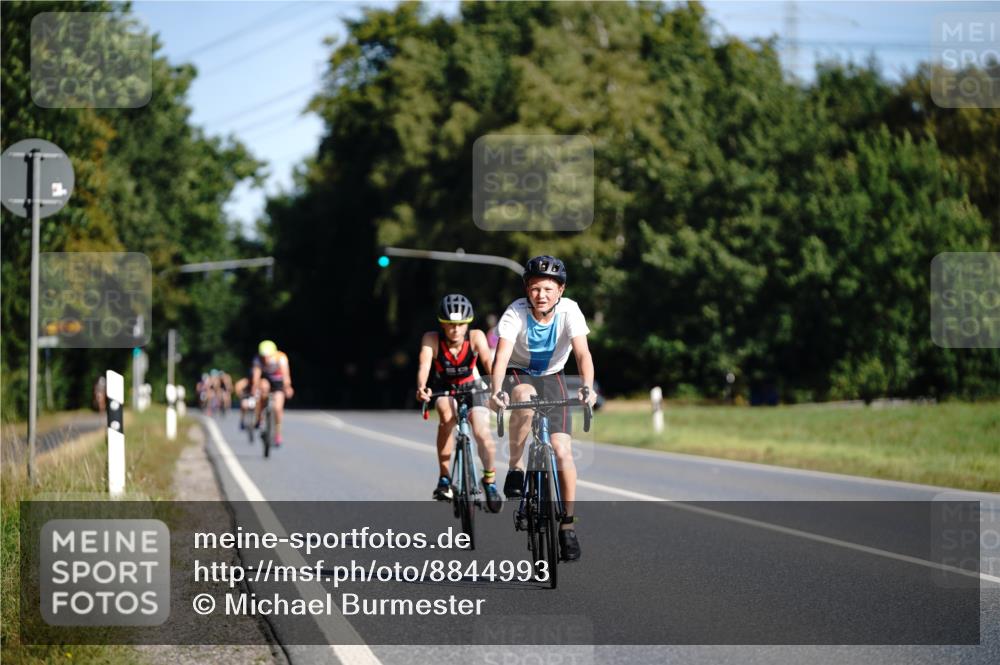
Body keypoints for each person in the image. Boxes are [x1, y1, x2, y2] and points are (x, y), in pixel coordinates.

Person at [489, 256, 597, 561]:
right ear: (527, 289)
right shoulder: (516, 313)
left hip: (553, 377)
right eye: (535, 288)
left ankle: (567, 526)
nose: (541, 295)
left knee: (562, 451)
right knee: (523, 393)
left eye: (548, 289)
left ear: (560, 290)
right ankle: (515, 466)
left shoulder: (570, 310)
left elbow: (583, 353)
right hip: (519, 373)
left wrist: (587, 386)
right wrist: (497, 391)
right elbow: (501, 357)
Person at [416, 294, 503, 513]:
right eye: (450, 325)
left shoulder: (476, 336)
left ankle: (490, 481)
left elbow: (487, 362)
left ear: (468, 324)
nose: (456, 330)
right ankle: (445, 478)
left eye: (460, 325)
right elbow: (424, 366)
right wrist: (421, 387)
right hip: (444, 388)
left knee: (482, 431)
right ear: (442, 325)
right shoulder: (431, 339)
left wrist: (497, 386)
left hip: (472, 386)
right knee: (445, 414)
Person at [251, 340, 294, 446]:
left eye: (267, 356)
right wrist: (254, 388)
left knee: (278, 408)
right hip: (266, 379)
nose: (265, 359)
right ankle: (259, 418)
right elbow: (256, 376)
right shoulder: (257, 359)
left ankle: (277, 434)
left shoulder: (281, 357)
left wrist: (287, 387)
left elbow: (285, 374)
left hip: (278, 380)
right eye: (263, 356)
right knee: (263, 389)